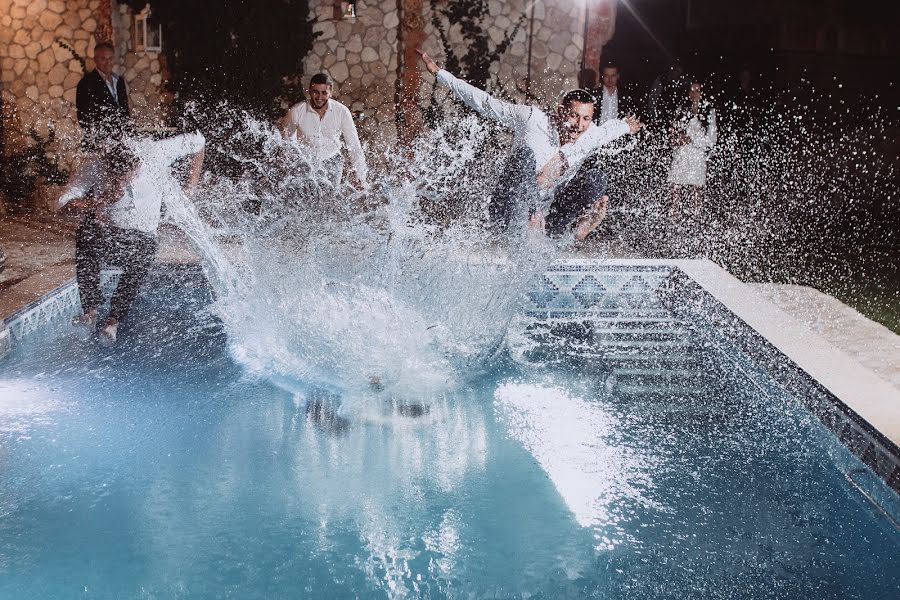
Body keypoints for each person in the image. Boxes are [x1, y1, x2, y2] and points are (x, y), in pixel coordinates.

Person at [418, 49, 642, 239]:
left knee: (597, 178)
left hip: (547, 213)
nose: (579, 127)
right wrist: (441, 74)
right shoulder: (532, 119)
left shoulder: (590, 133)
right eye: (574, 116)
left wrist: (627, 126)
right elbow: (487, 104)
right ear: (560, 112)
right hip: (508, 206)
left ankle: (572, 229)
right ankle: (529, 219)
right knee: (525, 157)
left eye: (586, 119)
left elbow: (610, 130)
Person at [58, 132, 206, 346]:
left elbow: (198, 141)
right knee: (85, 233)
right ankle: (90, 313)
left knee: (144, 249)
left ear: (137, 166)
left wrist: (191, 186)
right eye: (114, 177)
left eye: (126, 176)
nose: (121, 183)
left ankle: (113, 321)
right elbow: (63, 206)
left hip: (142, 238)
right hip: (107, 236)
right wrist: (97, 202)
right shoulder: (96, 166)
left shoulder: (157, 153)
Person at [282, 73, 368, 190]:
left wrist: (361, 177)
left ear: (330, 92)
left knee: (329, 201)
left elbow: (354, 146)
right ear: (310, 91)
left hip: (332, 160)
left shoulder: (342, 112)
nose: (319, 97)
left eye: (324, 93)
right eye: (315, 92)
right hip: (306, 162)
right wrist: (291, 164)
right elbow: (287, 141)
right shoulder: (297, 111)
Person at [667, 81, 717, 214]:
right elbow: (672, 135)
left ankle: (696, 218)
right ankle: (674, 217)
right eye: (691, 90)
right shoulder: (681, 109)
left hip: (697, 156)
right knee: (676, 188)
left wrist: (692, 139)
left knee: (696, 189)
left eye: (697, 90)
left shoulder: (709, 112)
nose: (694, 94)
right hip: (681, 154)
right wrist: (678, 139)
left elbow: (712, 140)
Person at [75, 41, 131, 153]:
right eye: (103, 59)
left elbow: (124, 110)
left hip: (122, 142)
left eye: (110, 58)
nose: (107, 62)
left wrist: (127, 135)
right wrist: (100, 141)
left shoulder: (119, 81)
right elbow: (84, 116)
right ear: (95, 60)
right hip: (100, 145)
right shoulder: (86, 83)